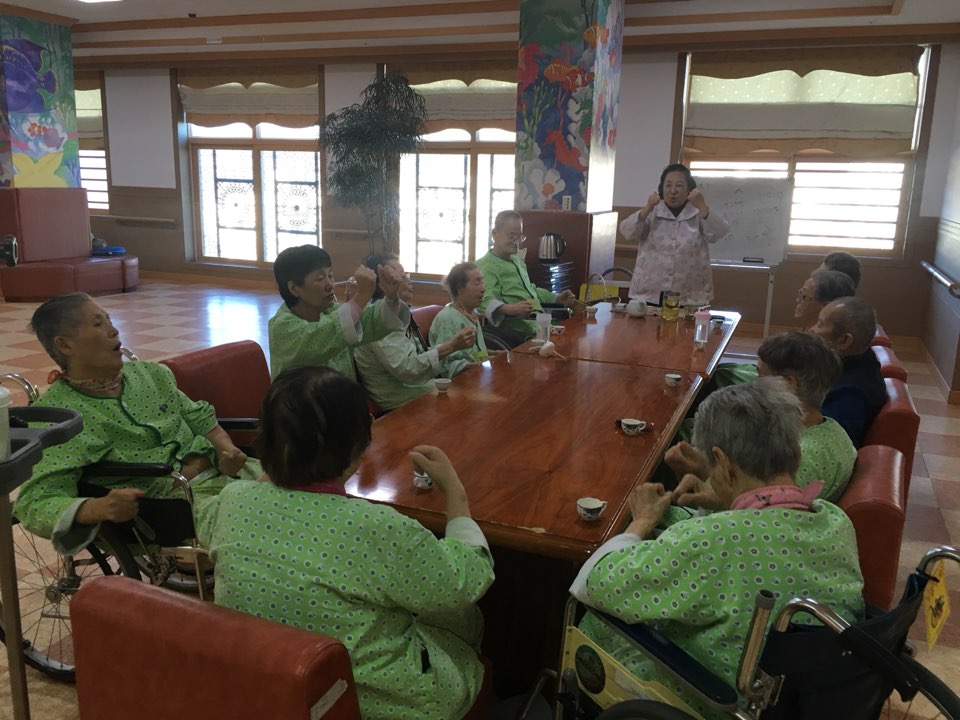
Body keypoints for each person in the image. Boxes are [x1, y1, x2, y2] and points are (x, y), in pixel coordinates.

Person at [201, 366, 495, 720]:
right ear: (358, 447)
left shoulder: (232, 501)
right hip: (377, 704)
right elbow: (461, 582)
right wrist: (455, 493)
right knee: (464, 616)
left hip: (272, 688)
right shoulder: (378, 527)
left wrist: (278, 471)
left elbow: (207, 525)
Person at [571, 377, 864, 720]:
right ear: (796, 457)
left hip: (708, 700)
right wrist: (725, 500)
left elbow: (592, 583)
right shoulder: (836, 522)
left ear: (721, 461)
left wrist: (643, 520)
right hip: (802, 701)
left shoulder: (714, 540)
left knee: (590, 619)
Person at [14, 293, 259, 556]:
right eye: (98, 323)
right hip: (172, 506)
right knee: (265, 521)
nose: (113, 330)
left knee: (289, 486)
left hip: (226, 474)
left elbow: (198, 417)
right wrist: (97, 507)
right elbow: (34, 503)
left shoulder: (150, 374)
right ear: (65, 345)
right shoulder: (61, 415)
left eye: (109, 320)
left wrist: (225, 450)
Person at [666, 332, 855, 503]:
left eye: (760, 376)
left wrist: (704, 473)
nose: (754, 385)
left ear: (787, 385)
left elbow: (760, 514)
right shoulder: (834, 430)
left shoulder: (798, 456)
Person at [353, 252, 476, 411]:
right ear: (383, 282)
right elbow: (407, 369)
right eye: (402, 277)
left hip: (419, 389)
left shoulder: (396, 313)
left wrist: (458, 356)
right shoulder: (378, 319)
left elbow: (418, 354)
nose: (409, 281)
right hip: (401, 401)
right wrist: (451, 346)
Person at [267, 244, 408, 380]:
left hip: (341, 394)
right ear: (294, 288)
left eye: (330, 275)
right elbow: (323, 335)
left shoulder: (331, 311)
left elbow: (370, 320)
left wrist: (391, 298)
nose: (330, 285)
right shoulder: (281, 327)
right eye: (320, 278)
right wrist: (362, 295)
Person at [620, 163, 730, 304]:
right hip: (650, 293)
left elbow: (720, 232)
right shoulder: (652, 212)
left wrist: (702, 206)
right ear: (661, 188)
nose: (672, 191)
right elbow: (627, 232)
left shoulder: (698, 213)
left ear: (689, 189)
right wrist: (647, 208)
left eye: (679, 185)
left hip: (690, 296)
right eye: (668, 185)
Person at [475, 210, 578, 348]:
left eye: (520, 237)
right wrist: (511, 309)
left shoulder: (517, 262)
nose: (516, 242)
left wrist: (556, 298)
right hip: (517, 331)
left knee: (577, 337)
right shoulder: (485, 266)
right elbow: (483, 301)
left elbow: (531, 290)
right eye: (511, 236)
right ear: (494, 234)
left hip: (539, 324)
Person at [810, 296, 888, 448]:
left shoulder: (850, 394)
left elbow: (828, 445)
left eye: (820, 324)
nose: (812, 330)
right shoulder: (858, 361)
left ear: (844, 340)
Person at [429, 262, 490, 377]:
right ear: (459, 289)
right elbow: (445, 366)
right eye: (477, 283)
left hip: (478, 376)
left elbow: (475, 353)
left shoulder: (472, 314)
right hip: (460, 381)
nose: (483, 289)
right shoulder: (448, 319)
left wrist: (495, 355)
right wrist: (480, 365)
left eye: (482, 282)